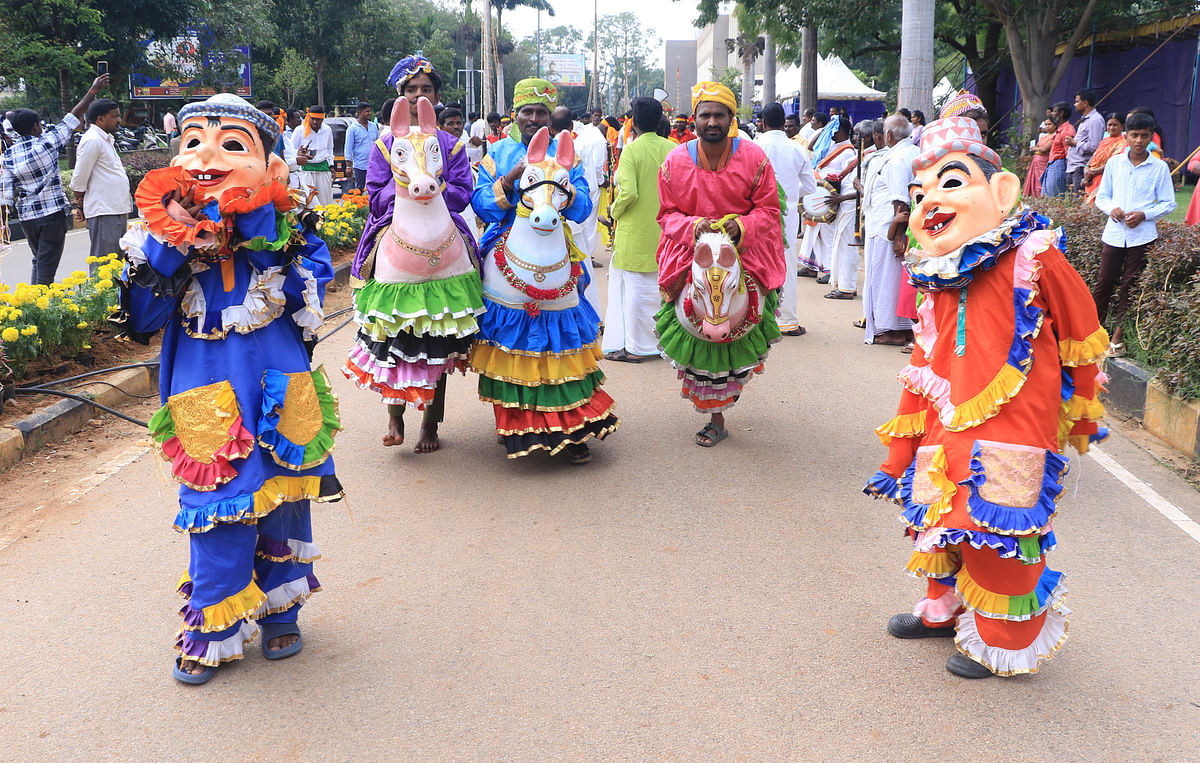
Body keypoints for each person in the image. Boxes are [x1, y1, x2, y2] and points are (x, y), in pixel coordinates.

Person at [865, 115, 1108, 679]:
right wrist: (904, 433)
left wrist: (1083, 408)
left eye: (950, 184)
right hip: (946, 415)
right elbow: (925, 353)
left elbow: (1079, 329)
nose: (930, 203)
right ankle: (942, 606)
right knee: (939, 511)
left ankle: (1006, 638)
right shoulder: (935, 270)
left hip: (1017, 418)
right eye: (920, 193)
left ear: (1000, 192)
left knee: (998, 525)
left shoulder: (1034, 253)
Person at [117, 93, 341, 685]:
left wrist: (260, 226)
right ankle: (213, 626)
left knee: (285, 493)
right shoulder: (155, 238)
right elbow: (138, 320)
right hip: (205, 386)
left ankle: (278, 607)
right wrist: (171, 244)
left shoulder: (292, 225)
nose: (206, 155)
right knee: (215, 504)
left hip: (277, 381)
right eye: (192, 142)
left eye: (231, 144)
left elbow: (311, 295)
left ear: (272, 169)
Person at [471, 78, 616, 463]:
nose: (533, 119)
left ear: (551, 117)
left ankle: (572, 427)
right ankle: (513, 421)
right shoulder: (498, 152)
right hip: (506, 242)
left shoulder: (567, 154)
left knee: (565, 330)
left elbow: (584, 205)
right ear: (515, 116)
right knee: (487, 301)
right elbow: (482, 205)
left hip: (555, 245)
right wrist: (511, 179)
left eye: (541, 113)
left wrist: (559, 193)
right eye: (526, 113)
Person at [348, 54, 477, 453]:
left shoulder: (451, 143)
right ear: (400, 96)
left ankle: (430, 424)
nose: (419, 94)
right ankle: (393, 414)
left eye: (426, 89)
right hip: (396, 222)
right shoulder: (385, 144)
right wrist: (404, 191)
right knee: (392, 338)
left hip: (441, 223)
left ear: (437, 96)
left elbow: (462, 189)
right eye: (411, 89)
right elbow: (374, 191)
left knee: (437, 345)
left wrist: (438, 192)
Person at [655, 81, 784, 447]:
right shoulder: (674, 161)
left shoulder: (755, 157)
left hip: (744, 252)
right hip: (689, 250)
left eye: (719, 115)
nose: (712, 121)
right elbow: (666, 214)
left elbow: (768, 210)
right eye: (705, 115)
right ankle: (716, 413)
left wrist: (740, 227)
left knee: (749, 311)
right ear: (693, 120)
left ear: (731, 119)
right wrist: (695, 228)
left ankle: (725, 395)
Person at [1, 74, 108, 285]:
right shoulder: (47, 143)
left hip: (27, 219)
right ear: (34, 127)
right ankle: (38, 310)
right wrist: (93, 90)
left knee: (39, 261)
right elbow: (73, 116)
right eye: (39, 123)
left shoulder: (9, 155)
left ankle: (35, 301)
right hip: (52, 216)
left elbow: (5, 195)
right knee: (45, 268)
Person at [1093, 112, 1176, 356]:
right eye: (1134, 135)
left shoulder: (1159, 167)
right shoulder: (1114, 163)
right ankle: (1094, 333)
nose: (1139, 140)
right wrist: (1112, 209)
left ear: (1151, 138)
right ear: (1125, 136)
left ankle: (1117, 339)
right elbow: (1102, 197)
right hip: (1114, 234)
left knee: (1130, 286)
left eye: (1144, 136)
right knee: (1104, 283)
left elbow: (1168, 203)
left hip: (1142, 236)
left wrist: (1144, 214)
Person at [603, 96, 674, 362]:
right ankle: (661, 343)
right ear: (660, 121)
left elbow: (629, 192)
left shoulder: (631, 150)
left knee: (632, 292)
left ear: (633, 122)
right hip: (666, 230)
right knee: (661, 289)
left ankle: (634, 347)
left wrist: (613, 211)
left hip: (635, 232)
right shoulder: (674, 148)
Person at [756, 102, 815, 336]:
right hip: (787, 214)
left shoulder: (754, 146)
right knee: (787, 264)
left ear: (764, 122)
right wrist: (788, 194)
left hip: (758, 214)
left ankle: (758, 319)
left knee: (757, 264)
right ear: (784, 123)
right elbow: (810, 186)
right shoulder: (796, 149)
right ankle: (788, 320)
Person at [857, 114, 915, 346]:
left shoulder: (900, 158)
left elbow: (900, 201)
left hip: (887, 230)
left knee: (886, 280)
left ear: (889, 135)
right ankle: (895, 328)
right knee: (890, 280)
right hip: (885, 227)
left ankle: (891, 330)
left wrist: (897, 237)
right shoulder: (908, 152)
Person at [70, 98, 131, 268]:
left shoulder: (105, 139)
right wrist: (80, 205)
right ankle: (102, 294)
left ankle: (117, 295)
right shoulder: (92, 140)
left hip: (115, 208)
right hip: (104, 211)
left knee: (118, 262)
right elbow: (79, 179)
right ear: (100, 119)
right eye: (115, 116)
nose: (119, 120)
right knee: (104, 263)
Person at [815, 117, 860, 298]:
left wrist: (841, 197)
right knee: (841, 246)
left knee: (847, 247)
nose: (856, 138)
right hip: (843, 205)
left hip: (850, 206)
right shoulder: (858, 154)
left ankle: (847, 288)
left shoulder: (853, 154)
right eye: (855, 134)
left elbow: (861, 189)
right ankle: (843, 285)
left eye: (859, 135)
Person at [291, 105, 334, 205]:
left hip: (323, 167)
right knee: (308, 202)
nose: (315, 122)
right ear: (308, 117)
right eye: (313, 119)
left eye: (318, 120)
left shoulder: (327, 130)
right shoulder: (300, 130)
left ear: (323, 119)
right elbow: (291, 149)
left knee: (325, 201)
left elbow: (330, 148)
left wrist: (331, 165)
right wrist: (300, 154)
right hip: (306, 169)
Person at [1083, 113, 1126, 206]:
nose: (1111, 127)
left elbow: (1112, 163)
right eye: (1109, 125)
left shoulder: (1122, 142)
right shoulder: (1105, 140)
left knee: (1097, 205)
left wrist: (1093, 171)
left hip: (1104, 177)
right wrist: (1086, 167)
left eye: (1115, 125)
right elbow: (1095, 156)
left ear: (1122, 126)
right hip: (1091, 177)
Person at [1066, 89, 1104, 194]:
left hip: (1081, 167)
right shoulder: (1086, 119)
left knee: (1078, 202)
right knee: (1070, 203)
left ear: (1085, 103)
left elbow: (1094, 146)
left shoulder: (1095, 120)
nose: (1075, 105)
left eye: (1077, 101)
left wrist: (1074, 143)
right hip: (1073, 166)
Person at [343, 101, 379, 192]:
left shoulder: (373, 126)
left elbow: (378, 144)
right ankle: (359, 206)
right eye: (367, 111)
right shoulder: (352, 128)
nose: (369, 113)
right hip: (360, 165)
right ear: (360, 113)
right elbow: (348, 148)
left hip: (373, 164)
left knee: (374, 188)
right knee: (360, 189)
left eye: (370, 111)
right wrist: (348, 167)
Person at [1040, 102, 1073, 198]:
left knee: (1054, 197)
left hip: (1059, 165)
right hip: (1053, 164)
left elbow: (1069, 153)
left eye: (1054, 112)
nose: (1052, 114)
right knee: (1046, 196)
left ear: (1061, 113)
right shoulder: (1061, 130)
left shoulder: (1067, 130)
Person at [1023, 118, 1055, 198]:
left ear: (1055, 125)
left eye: (1049, 124)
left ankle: (1040, 198)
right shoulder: (1044, 136)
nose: (1047, 126)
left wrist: (1034, 148)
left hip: (1044, 162)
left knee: (1040, 181)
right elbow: (1039, 147)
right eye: (1046, 124)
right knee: (1033, 180)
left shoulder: (1054, 136)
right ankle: (1033, 198)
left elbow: (1044, 149)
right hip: (1036, 161)